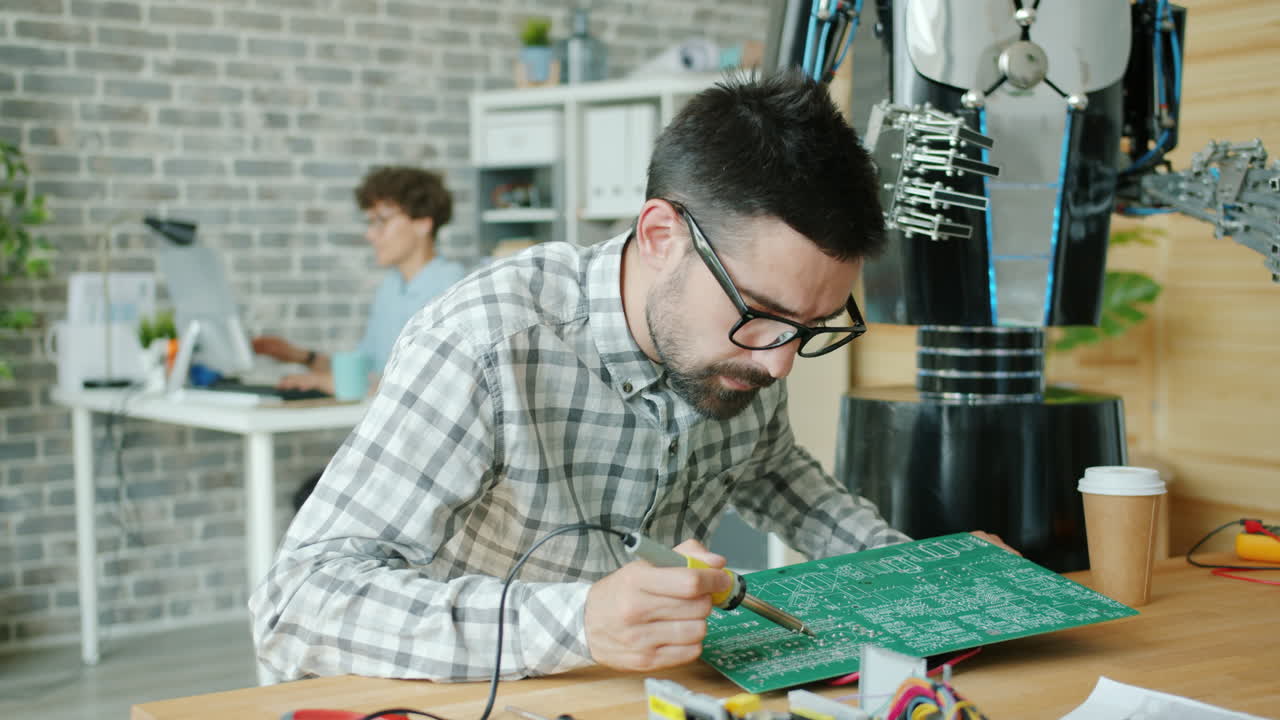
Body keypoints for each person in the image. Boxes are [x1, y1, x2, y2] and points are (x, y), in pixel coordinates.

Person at [250, 72, 1013, 684]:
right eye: (762, 313)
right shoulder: (489, 342)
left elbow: (790, 486)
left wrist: (927, 577)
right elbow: (297, 603)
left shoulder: (746, 348)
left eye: (810, 328)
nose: (779, 360)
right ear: (659, 236)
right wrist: (578, 622)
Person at [250, 166, 467, 396]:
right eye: (370, 222)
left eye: (381, 221)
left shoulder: (452, 288)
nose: (370, 234)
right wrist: (301, 357)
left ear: (423, 223)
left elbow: (429, 385)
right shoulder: (391, 286)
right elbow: (367, 369)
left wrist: (332, 383)